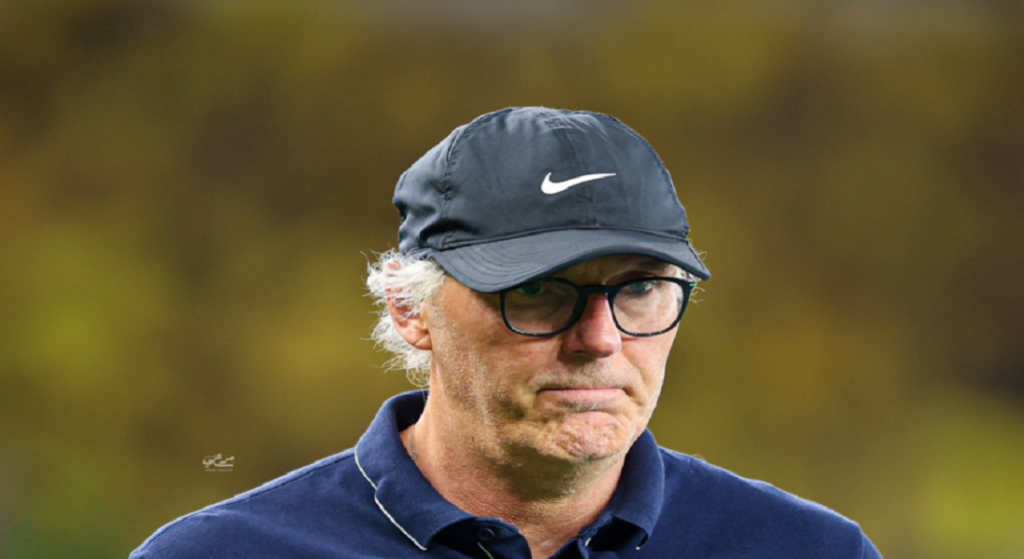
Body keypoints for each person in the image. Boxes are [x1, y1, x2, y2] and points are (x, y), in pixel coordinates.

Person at [131, 107, 883, 559]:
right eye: (538, 291)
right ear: (410, 309)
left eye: (640, 288)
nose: (600, 339)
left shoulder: (810, 550)